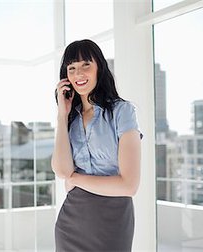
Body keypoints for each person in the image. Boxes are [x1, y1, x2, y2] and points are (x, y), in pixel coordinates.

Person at [52, 39, 143, 252]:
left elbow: (129, 185)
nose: (78, 74)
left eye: (86, 65)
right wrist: (61, 115)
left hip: (113, 220)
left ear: (99, 67)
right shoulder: (70, 119)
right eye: (71, 68)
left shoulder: (122, 112)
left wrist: (75, 179)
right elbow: (62, 170)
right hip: (71, 222)